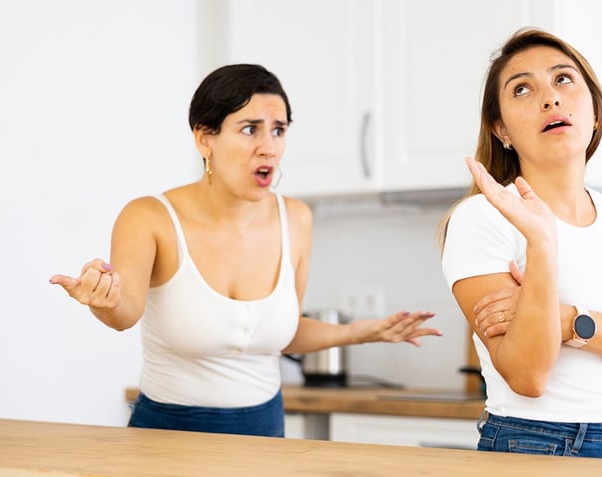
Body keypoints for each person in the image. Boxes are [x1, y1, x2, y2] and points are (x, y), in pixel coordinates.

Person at [50, 64, 441, 438]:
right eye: (250, 129)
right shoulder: (149, 217)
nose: (268, 147)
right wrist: (102, 300)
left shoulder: (297, 219)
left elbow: (285, 334)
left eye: (279, 130)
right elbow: (124, 313)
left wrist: (361, 332)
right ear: (205, 137)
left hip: (264, 430)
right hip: (166, 433)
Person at [440, 28, 602, 461]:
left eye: (563, 80)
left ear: (594, 112)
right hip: (532, 444)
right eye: (522, 89)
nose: (550, 99)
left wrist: (571, 322)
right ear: (501, 129)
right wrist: (541, 239)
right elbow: (527, 374)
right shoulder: (481, 218)